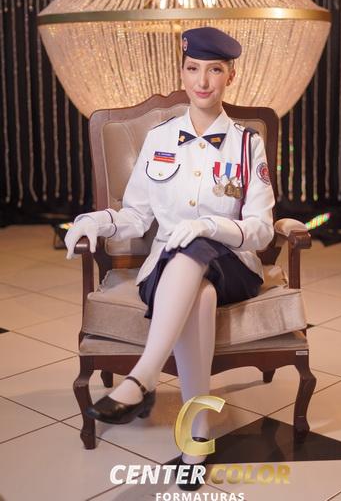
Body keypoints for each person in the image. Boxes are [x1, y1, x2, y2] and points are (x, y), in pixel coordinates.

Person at [65, 26, 275, 490]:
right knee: (198, 294)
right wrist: (97, 221)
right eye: (193, 68)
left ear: (230, 76)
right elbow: (137, 216)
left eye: (214, 70)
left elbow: (261, 230)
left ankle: (143, 377)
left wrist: (209, 226)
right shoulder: (159, 138)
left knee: (195, 247)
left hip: (234, 266)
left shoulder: (246, 144)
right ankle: (198, 437)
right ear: (182, 72)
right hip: (167, 272)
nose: (202, 80)